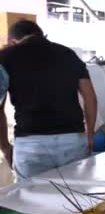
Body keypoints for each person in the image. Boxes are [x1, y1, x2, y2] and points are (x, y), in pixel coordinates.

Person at [0, 20, 97, 180]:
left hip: (31, 145)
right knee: (75, 200)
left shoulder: (5, 57)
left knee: (31, 201)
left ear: (12, 41)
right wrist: (90, 134)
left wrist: (5, 147)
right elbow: (90, 97)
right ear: (41, 34)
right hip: (72, 141)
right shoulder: (68, 54)